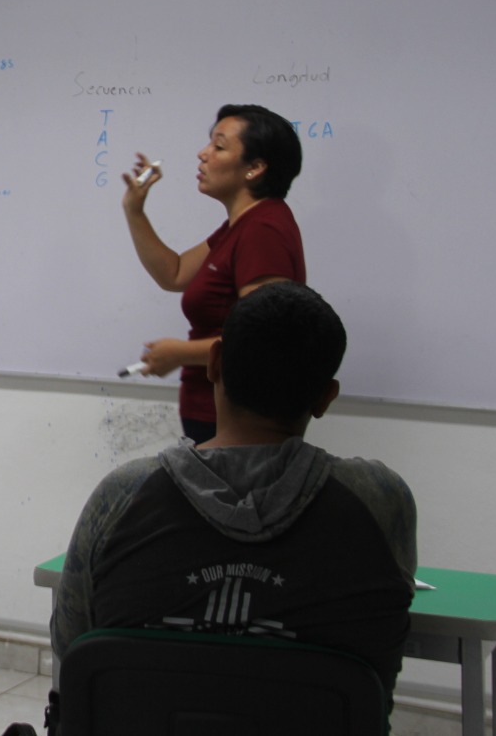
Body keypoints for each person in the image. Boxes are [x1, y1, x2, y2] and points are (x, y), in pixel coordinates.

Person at [51, 282, 417, 709]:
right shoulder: (380, 501)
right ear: (325, 397)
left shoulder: (121, 496)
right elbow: (385, 648)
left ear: (214, 363)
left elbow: (71, 642)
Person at [122, 103, 306, 443]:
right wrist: (134, 210)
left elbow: (264, 338)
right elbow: (174, 273)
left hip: (237, 418)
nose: (202, 154)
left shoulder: (263, 229)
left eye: (219, 146)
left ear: (255, 167)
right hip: (212, 411)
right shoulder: (241, 225)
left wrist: (178, 353)